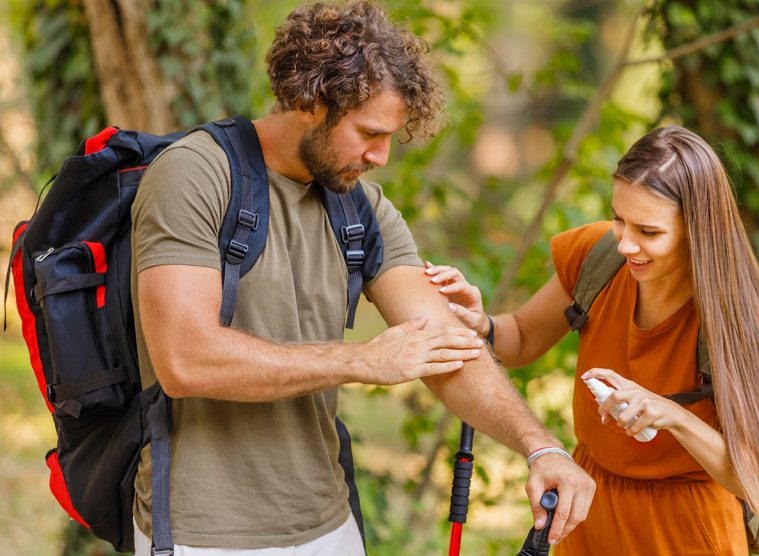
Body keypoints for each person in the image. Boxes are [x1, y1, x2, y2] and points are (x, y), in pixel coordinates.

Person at [129, 2, 594, 554]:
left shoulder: (362, 208)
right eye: (370, 134)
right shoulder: (195, 174)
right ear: (309, 101)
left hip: (331, 524)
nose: (382, 157)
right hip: (205, 533)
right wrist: (362, 360)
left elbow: (446, 347)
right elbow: (185, 361)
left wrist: (541, 447)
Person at [427, 125, 759, 554]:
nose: (627, 244)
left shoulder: (743, 324)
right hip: (587, 511)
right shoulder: (598, 258)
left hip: (686, 532)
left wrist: (672, 415)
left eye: (649, 232)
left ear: (698, 231)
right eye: (618, 219)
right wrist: (483, 323)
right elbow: (520, 339)